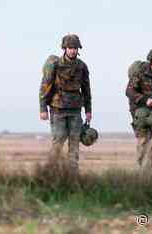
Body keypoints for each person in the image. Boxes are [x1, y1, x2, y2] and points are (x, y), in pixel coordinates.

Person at [39, 34, 92, 172]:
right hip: (58, 109)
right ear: (65, 48)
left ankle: (73, 175)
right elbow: (45, 86)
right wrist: (43, 108)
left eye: (75, 48)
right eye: (70, 48)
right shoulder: (55, 65)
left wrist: (88, 110)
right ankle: (49, 173)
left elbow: (86, 90)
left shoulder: (82, 66)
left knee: (74, 144)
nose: (72, 50)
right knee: (58, 141)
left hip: (75, 110)